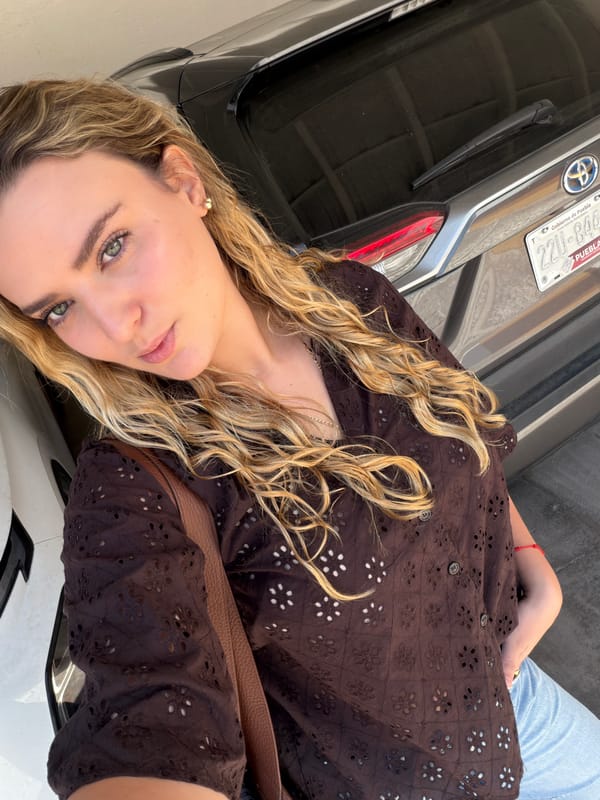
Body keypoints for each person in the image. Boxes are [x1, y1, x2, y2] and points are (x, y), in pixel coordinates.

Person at [0, 79, 597, 800]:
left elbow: (461, 434)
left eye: (112, 246)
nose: (110, 325)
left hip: (520, 702)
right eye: (59, 307)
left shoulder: (351, 301)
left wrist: (531, 560)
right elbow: (146, 720)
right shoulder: (134, 492)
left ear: (184, 181)